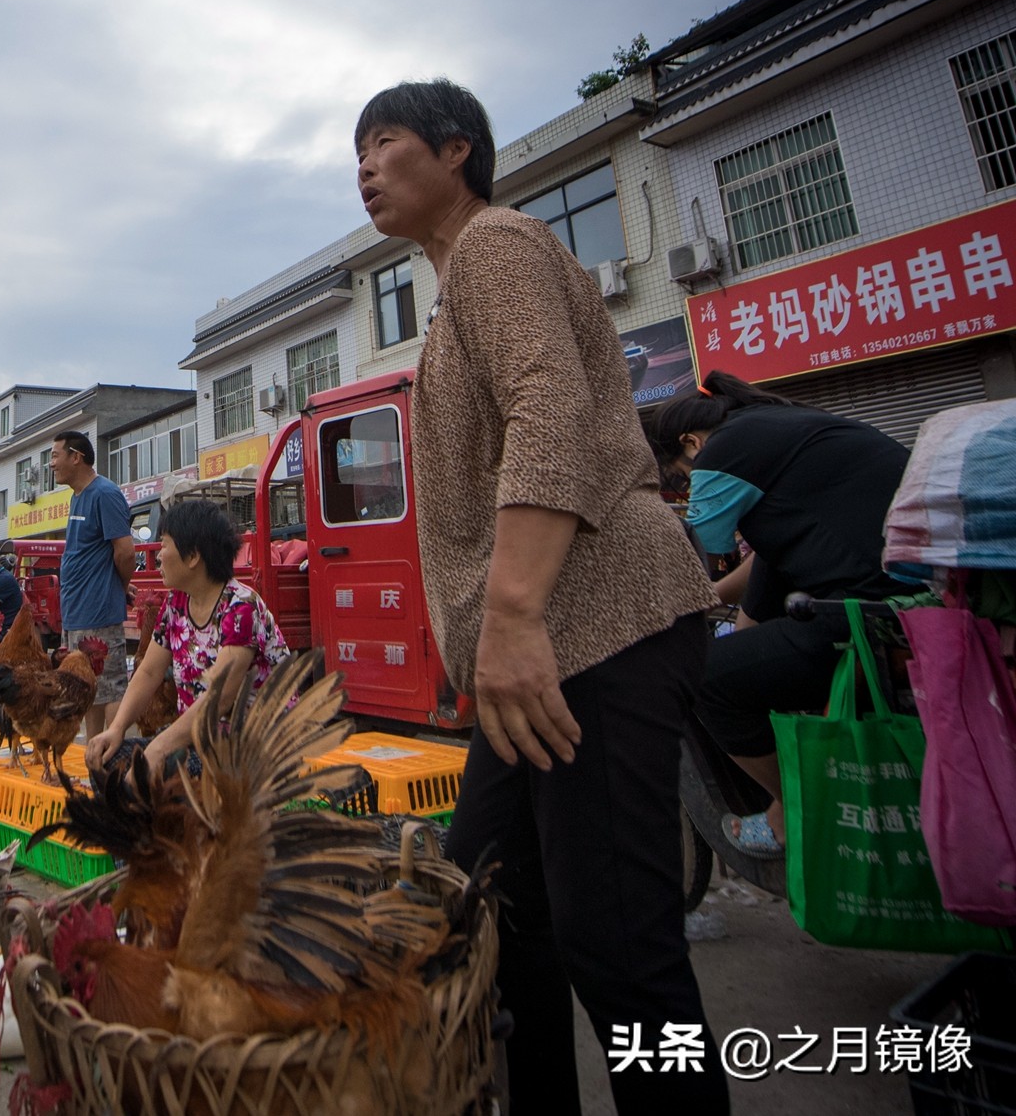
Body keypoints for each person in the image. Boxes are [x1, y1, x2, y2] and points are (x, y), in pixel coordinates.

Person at [355, 78, 725, 1113]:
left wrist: (511, 612)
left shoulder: (496, 244)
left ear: (456, 150)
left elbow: (548, 403)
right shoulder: (457, 285)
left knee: (620, 952)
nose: (364, 167)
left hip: (595, 628)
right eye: (357, 153)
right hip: (540, 658)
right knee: (488, 909)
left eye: (383, 142)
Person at [645, 371, 911, 856]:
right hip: (901, 603)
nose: (689, 487)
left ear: (691, 443)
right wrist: (711, 598)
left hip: (866, 619)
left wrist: (670, 602)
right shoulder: (779, 427)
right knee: (746, 656)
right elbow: (772, 555)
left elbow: (705, 545)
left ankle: (796, 807)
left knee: (703, 680)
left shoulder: (726, 448)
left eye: (683, 477)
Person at [89, 500, 287, 770]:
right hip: (200, 738)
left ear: (193, 556)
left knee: (160, 770)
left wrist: (160, 745)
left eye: (165, 545)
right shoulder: (176, 604)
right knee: (107, 761)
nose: (158, 556)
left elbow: (221, 696)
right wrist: (118, 728)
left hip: (250, 749)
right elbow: (149, 672)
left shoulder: (241, 608)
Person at [51, 430, 135, 737]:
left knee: (110, 686)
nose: (51, 464)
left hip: (98, 612)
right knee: (87, 688)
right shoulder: (77, 496)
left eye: (55, 455)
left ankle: (114, 755)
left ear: (77, 457)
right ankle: (94, 753)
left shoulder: (104, 494)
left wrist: (120, 588)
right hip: (77, 613)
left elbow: (125, 552)